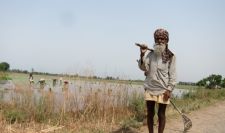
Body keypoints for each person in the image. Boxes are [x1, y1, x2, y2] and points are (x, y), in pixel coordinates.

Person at [138, 28, 176, 133]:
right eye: (157, 38)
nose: (159, 40)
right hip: (150, 87)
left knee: (161, 114)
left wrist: (169, 89)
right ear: (155, 40)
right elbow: (143, 68)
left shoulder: (171, 56)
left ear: (166, 41)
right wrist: (142, 54)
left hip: (164, 89)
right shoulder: (150, 54)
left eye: (162, 39)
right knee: (150, 113)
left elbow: (173, 75)